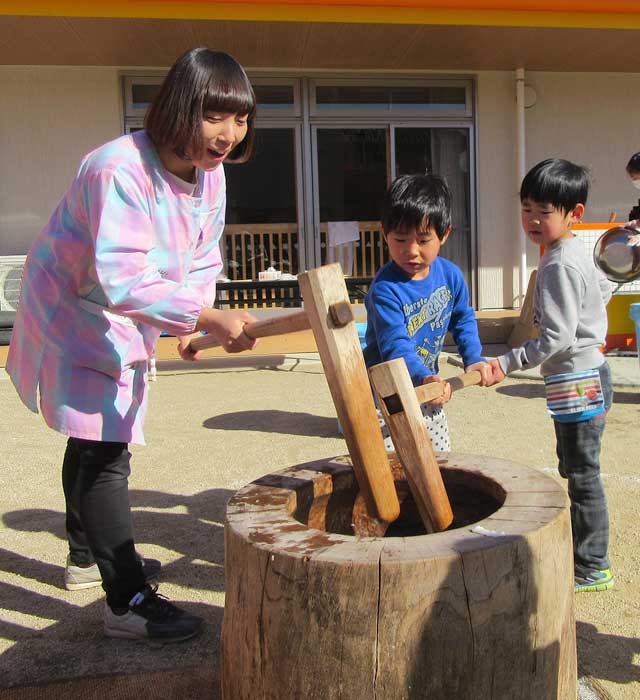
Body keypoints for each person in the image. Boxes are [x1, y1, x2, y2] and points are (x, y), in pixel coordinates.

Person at [6, 47, 259, 642]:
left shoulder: (211, 173)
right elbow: (121, 278)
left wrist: (194, 324)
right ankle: (126, 600)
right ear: (180, 106)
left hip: (124, 313)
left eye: (241, 118)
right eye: (214, 116)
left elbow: (202, 256)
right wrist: (204, 316)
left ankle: (84, 555)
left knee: (93, 442)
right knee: (104, 449)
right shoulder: (117, 168)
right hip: (77, 310)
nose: (228, 134)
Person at [488, 158, 614, 593]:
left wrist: (505, 363)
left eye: (544, 210)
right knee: (575, 465)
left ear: (573, 213)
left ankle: (593, 564)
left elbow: (555, 339)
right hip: (582, 376)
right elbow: (603, 289)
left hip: (577, 379)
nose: (532, 220)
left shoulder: (559, 263)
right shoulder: (574, 251)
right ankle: (586, 553)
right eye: (526, 209)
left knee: (582, 474)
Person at [362, 174, 493, 453]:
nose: (411, 251)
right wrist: (423, 376)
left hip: (427, 383)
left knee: (438, 456)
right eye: (400, 239)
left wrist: (474, 359)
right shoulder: (385, 289)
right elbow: (394, 346)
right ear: (384, 232)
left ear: (444, 234)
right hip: (388, 393)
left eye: (423, 240)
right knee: (394, 466)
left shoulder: (451, 276)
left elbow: (463, 319)